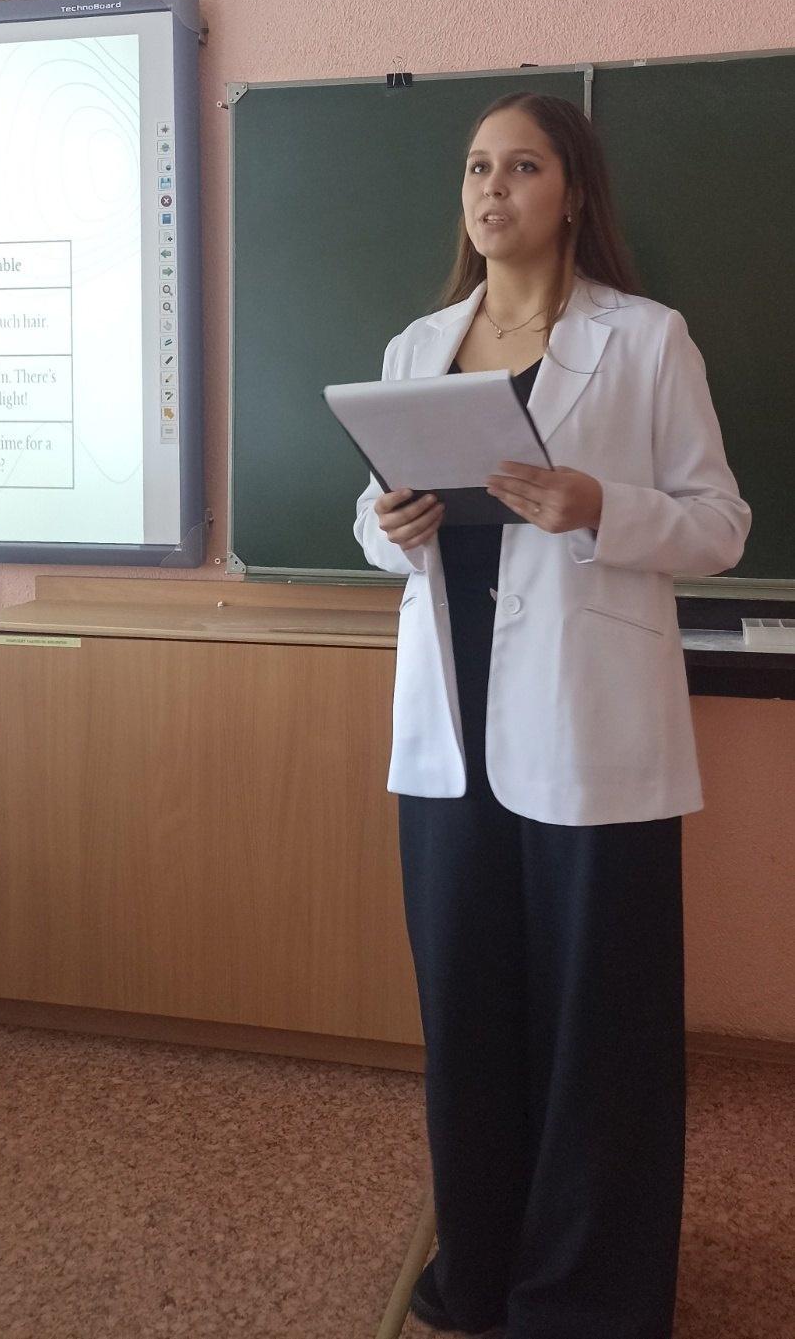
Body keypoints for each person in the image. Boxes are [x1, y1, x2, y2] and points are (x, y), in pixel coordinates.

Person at [353, 94, 752, 1339]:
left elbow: (721, 525)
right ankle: (482, 1269)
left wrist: (601, 506)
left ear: (571, 193)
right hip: (452, 734)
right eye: (478, 166)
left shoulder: (646, 339)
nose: (492, 187)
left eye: (521, 166)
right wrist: (390, 525)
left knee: (598, 1029)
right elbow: (370, 519)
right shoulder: (419, 345)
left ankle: (584, 1300)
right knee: (468, 1014)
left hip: (590, 736)